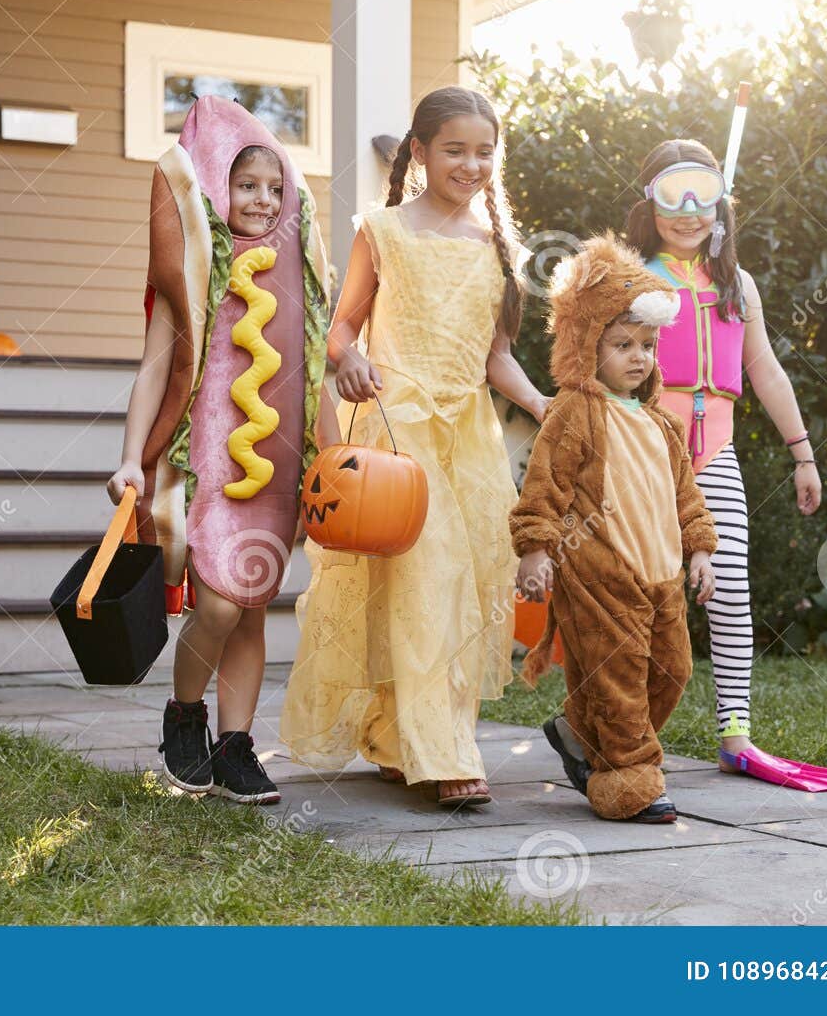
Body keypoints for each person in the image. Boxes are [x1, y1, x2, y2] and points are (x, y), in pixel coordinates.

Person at [279, 85, 549, 808]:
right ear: (420, 152)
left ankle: (402, 737)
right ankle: (447, 754)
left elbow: (495, 356)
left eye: (485, 152)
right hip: (398, 431)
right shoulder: (384, 229)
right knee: (423, 580)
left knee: (463, 593)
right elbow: (341, 328)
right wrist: (350, 358)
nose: (471, 164)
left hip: (470, 436)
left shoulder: (497, 247)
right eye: (455, 150)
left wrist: (539, 401)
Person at [107, 97, 331, 806]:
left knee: (255, 606)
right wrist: (129, 457)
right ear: (213, 188)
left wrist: (333, 458)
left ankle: (235, 745)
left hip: (275, 471)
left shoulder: (295, 279)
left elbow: (317, 368)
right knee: (223, 605)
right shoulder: (195, 274)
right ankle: (184, 715)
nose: (263, 200)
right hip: (206, 467)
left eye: (275, 188)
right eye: (246, 185)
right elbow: (153, 368)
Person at [629, 138, 827, 791]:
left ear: (721, 204)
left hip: (715, 458)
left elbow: (764, 369)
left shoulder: (739, 285)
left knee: (729, 589)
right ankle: (618, 729)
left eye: (703, 193)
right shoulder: (632, 279)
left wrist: (803, 453)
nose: (689, 210)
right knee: (639, 594)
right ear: (650, 203)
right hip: (645, 456)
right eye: (674, 193)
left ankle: (735, 733)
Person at [512, 237, 718, 822]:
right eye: (621, 344)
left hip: (661, 575)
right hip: (600, 569)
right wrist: (536, 549)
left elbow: (687, 495)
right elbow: (544, 485)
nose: (638, 357)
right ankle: (629, 778)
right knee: (618, 675)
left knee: (672, 670)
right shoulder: (575, 411)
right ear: (585, 347)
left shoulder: (661, 423)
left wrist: (700, 549)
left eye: (647, 345)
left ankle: (579, 732)